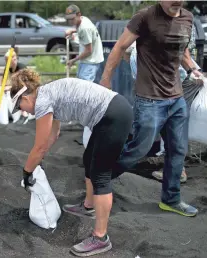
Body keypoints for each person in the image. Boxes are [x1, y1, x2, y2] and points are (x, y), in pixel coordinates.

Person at [9, 68, 133, 257]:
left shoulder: (42, 101)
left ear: (25, 99)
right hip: (112, 112)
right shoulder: (48, 93)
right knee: (88, 159)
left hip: (112, 116)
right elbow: (52, 136)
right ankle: (89, 206)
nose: (23, 112)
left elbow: (40, 146)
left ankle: (100, 238)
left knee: (101, 175)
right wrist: (38, 161)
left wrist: (27, 171)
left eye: (20, 108)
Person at [99, 0, 201, 217]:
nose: (177, 1)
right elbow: (120, 46)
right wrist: (106, 79)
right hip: (150, 100)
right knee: (138, 150)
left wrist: (193, 69)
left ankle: (171, 200)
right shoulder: (144, 17)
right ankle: (97, 181)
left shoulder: (188, 18)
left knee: (178, 150)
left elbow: (182, 52)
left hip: (176, 98)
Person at [129, 21, 204, 183]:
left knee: (173, 123)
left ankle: (176, 171)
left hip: (184, 82)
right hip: (188, 76)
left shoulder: (139, 56)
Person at [64, 4, 105, 148]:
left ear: (79, 14)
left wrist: (73, 60)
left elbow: (88, 50)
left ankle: (89, 121)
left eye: (72, 19)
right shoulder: (83, 21)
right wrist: (73, 31)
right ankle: (85, 119)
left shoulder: (85, 28)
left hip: (90, 62)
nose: (71, 21)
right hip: (89, 61)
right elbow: (79, 30)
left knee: (85, 92)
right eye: (68, 20)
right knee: (83, 89)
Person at [3, 49, 34, 123]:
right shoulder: (7, 69)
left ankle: (24, 114)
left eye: (13, 58)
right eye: (7, 60)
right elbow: (5, 82)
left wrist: (10, 87)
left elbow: (25, 84)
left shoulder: (21, 68)